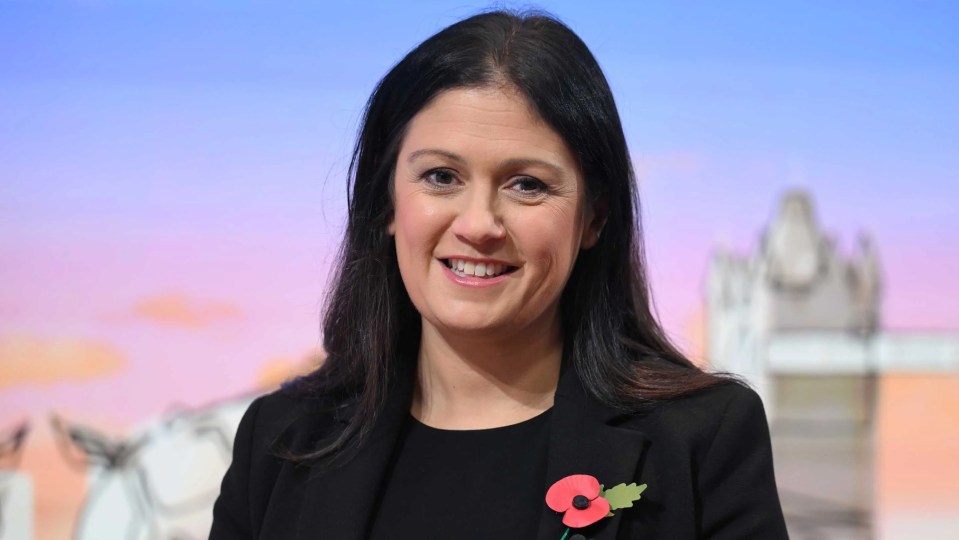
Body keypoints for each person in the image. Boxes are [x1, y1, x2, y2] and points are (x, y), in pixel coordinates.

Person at [210, 10, 788, 540]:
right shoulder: (280, 439)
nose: (479, 225)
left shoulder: (701, 438)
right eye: (441, 177)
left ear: (594, 217)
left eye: (527, 185)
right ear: (386, 203)